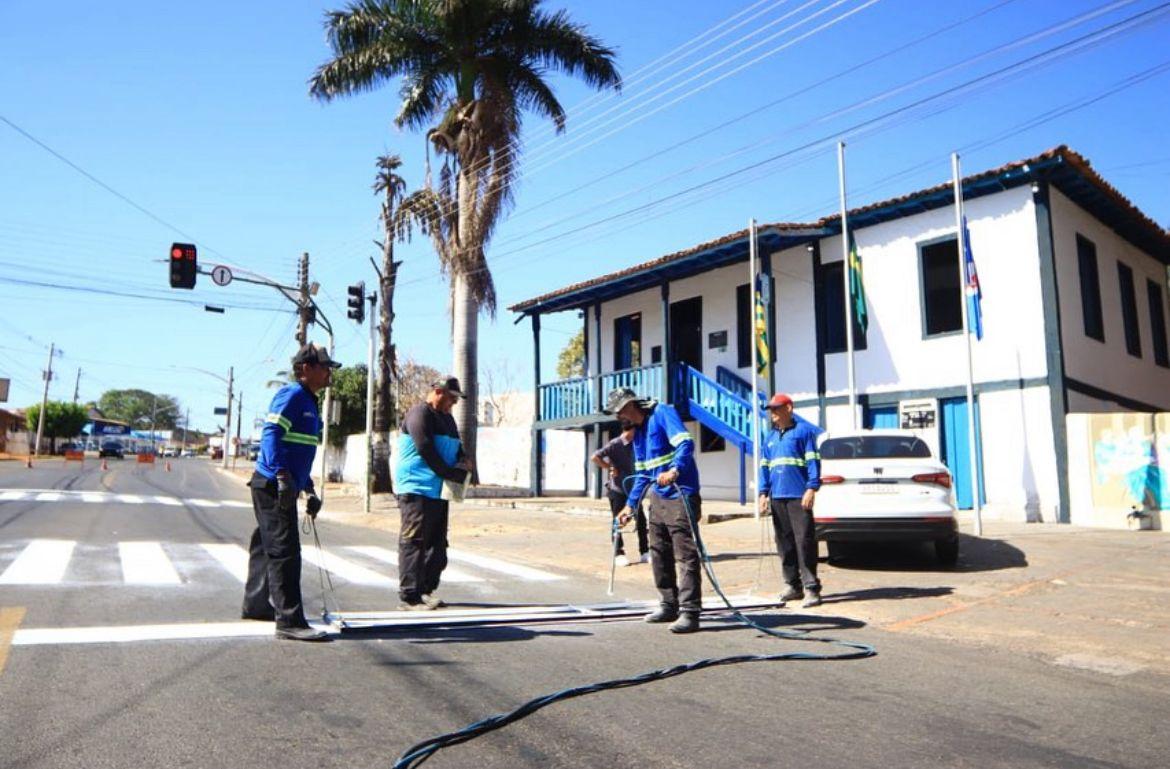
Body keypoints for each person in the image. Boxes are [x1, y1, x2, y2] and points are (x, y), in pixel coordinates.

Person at [242, 343, 340, 642]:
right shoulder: (293, 395)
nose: (329, 373)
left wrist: (307, 488)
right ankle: (289, 621)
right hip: (272, 484)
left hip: (283, 482)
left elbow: (299, 450)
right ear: (306, 368)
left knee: (266, 544)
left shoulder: (309, 401)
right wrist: (283, 476)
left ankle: (256, 604)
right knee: (285, 551)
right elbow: (271, 434)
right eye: (324, 367)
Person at [606, 387, 703, 634]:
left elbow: (685, 443)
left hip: (681, 493)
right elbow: (642, 475)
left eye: (620, 411)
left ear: (630, 405)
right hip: (658, 497)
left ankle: (690, 612)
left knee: (685, 555)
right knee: (658, 552)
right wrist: (630, 506)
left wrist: (674, 470)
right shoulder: (638, 434)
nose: (618, 417)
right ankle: (669, 604)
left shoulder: (663, 413)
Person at [393, 376, 473, 610]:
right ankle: (410, 596)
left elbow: (457, 446)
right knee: (414, 542)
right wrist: (449, 472)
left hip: (439, 490)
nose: (454, 403)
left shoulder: (447, 419)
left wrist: (463, 460)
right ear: (438, 392)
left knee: (437, 546)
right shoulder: (420, 413)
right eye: (452, 398)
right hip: (416, 488)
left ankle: (425, 590)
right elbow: (425, 448)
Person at [757, 393, 823, 608]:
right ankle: (793, 585)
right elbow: (765, 466)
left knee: (804, 541)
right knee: (784, 543)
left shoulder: (803, 432)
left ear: (789, 408)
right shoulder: (770, 437)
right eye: (771, 410)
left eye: (777, 408)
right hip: (777, 496)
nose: (773, 413)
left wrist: (811, 488)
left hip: (798, 496)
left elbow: (813, 461)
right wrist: (763, 493)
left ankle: (811, 588)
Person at [590, 425, 649, 567]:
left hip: (633, 489)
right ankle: (619, 553)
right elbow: (595, 457)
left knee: (641, 520)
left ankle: (645, 552)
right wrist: (609, 467)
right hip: (617, 489)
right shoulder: (615, 444)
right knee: (618, 521)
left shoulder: (638, 443)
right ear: (631, 429)